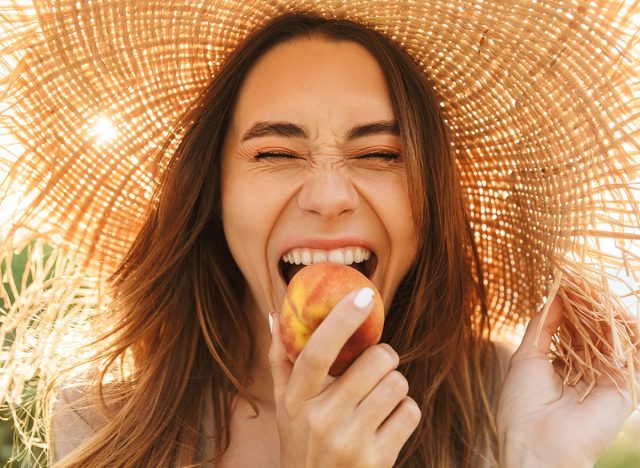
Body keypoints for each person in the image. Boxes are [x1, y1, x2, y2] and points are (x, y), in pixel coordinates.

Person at [0, 3, 638, 468]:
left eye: (381, 154)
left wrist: (532, 461)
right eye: (276, 153)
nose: (330, 198)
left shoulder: (506, 406)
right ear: (212, 195)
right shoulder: (99, 424)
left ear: (431, 204)